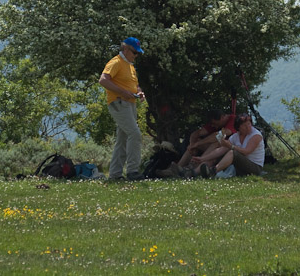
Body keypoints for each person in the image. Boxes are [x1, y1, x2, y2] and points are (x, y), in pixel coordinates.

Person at [99, 37, 146, 181]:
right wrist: (121, 92)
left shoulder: (130, 65)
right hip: (119, 103)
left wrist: (139, 92)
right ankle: (132, 171)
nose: (135, 55)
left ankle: (115, 174)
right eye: (134, 52)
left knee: (122, 139)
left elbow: (134, 84)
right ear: (125, 49)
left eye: (137, 53)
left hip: (130, 104)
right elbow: (103, 80)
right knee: (135, 134)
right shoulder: (116, 62)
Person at [157, 111, 236, 178]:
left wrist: (198, 143)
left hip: (227, 150)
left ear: (222, 117)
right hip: (214, 151)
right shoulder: (215, 123)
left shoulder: (233, 119)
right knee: (195, 143)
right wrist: (192, 145)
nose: (213, 126)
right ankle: (177, 168)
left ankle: (192, 167)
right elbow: (196, 133)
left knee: (215, 143)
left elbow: (219, 135)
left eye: (214, 123)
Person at [200, 113, 264, 178]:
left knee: (233, 153)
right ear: (239, 127)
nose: (248, 127)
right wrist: (203, 158)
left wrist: (231, 146)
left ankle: (212, 171)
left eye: (249, 124)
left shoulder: (256, 135)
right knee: (223, 155)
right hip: (241, 167)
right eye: (244, 125)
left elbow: (246, 152)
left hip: (255, 167)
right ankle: (198, 172)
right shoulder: (235, 136)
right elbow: (221, 150)